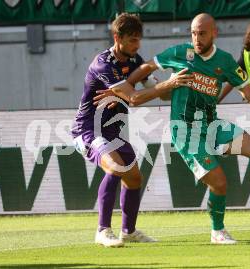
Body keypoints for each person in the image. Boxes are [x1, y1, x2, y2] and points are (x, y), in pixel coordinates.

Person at [94, 13, 250, 245]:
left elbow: (249, 91)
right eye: (193, 33)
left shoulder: (226, 61)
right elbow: (146, 67)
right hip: (185, 131)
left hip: (211, 125)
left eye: (202, 33)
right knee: (219, 182)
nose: (197, 38)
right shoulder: (178, 53)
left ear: (214, 33)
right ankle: (217, 231)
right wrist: (122, 88)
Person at [71, 13, 193, 248]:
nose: (136, 45)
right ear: (117, 37)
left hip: (113, 132)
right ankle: (103, 230)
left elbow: (160, 92)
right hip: (88, 130)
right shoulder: (103, 64)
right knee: (116, 167)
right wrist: (164, 85)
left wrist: (179, 78)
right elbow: (135, 98)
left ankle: (128, 231)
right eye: (131, 40)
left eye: (138, 40)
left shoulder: (135, 61)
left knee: (134, 177)